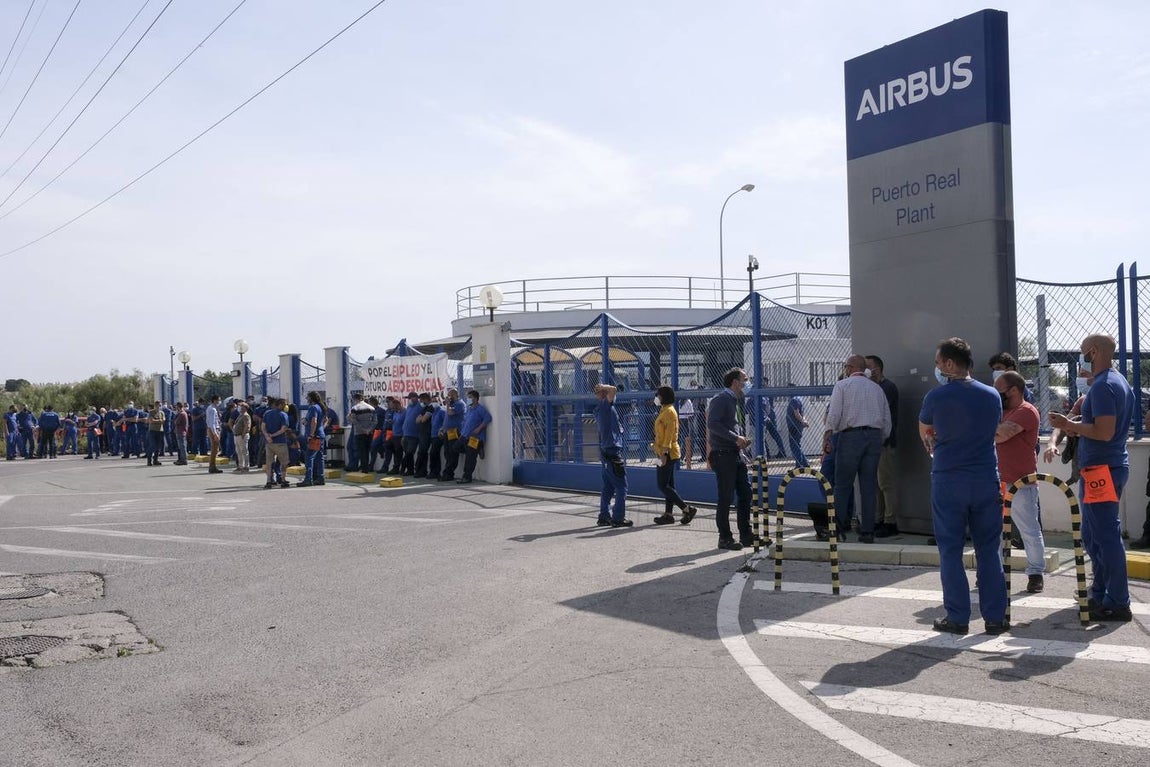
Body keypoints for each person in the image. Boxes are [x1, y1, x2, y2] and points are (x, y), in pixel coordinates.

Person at [919, 337, 1008, 636]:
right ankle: (995, 618)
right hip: (985, 479)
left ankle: (957, 618)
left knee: (950, 550)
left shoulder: (936, 397)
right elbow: (991, 429)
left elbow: (926, 433)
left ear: (948, 363)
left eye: (937, 363)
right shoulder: (992, 396)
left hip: (948, 479)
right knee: (988, 550)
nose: (937, 368)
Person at [1049, 333, 1135, 622]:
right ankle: (1101, 592)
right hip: (1104, 468)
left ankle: (1117, 601)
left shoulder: (1103, 387)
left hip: (1102, 470)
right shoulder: (1115, 381)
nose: (1081, 354)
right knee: (1094, 534)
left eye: (1083, 350)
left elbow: (1103, 431)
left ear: (1094, 351)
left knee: (1105, 536)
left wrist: (1067, 424)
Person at [824, 354, 891, 543]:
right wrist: (880, 437)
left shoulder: (842, 386)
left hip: (850, 436)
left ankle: (837, 528)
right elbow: (886, 419)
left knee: (843, 484)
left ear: (850, 368)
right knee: (869, 486)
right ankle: (868, 531)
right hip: (874, 437)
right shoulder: (877, 389)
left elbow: (835, 413)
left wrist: (828, 434)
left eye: (846, 366)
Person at [994, 371, 1046, 593]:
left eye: (999, 390)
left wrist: (981, 428)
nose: (995, 394)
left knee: (1029, 531)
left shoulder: (1026, 411)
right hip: (996, 481)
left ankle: (1035, 573)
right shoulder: (1001, 412)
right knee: (992, 531)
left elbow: (1002, 435)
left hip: (1021, 482)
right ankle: (992, 572)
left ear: (1013, 390)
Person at [707, 368, 757, 550]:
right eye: (745, 379)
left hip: (734, 454)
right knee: (726, 497)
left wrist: (741, 443)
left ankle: (746, 534)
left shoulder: (735, 400)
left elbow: (731, 426)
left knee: (745, 493)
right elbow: (713, 424)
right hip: (723, 454)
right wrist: (735, 438)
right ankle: (725, 537)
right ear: (735, 382)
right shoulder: (721, 399)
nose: (747, 383)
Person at [651, 386, 698, 526]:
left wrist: (664, 453)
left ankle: (686, 508)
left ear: (663, 397)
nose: (656, 398)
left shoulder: (669, 412)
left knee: (662, 485)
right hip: (664, 451)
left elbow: (669, 435)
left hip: (668, 452)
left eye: (658, 395)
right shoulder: (665, 410)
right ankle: (668, 514)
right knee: (669, 485)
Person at [865, 355, 900, 537]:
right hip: (873, 442)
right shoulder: (872, 388)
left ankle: (890, 521)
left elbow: (880, 414)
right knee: (877, 484)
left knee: (886, 483)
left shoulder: (887, 388)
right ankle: (878, 519)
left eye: (868, 367)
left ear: (877, 369)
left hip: (884, 442)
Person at [593, 383, 632, 527]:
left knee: (608, 486)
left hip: (606, 453)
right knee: (622, 486)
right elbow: (613, 389)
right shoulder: (605, 406)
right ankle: (618, 517)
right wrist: (603, 387)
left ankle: (604, 515)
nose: (614, 395)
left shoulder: (602, 408)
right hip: (612, 452)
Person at [455, 389, 491, 484]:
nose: (468, 399)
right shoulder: (469, 409)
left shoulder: (480, 409)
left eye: (470, 397)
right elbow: (465, 423)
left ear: (475, 399)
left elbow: (488, 418)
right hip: (465, 436)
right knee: (455, 447)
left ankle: (467, 477)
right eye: (468, 397)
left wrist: (479, 429)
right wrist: (462, 434)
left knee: (470, 457)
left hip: (475, 437)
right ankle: (479, 449)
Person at [261, 398, 293, 489]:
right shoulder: (283, 415)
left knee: (269, 463)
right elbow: (283, 429)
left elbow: (263, 427)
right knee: (284, 462)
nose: (286, 406)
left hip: (269, 443)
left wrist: (267, 436)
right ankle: (283, 480)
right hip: (280, 442)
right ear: (281, 404)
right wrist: (273, 435)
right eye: (285, 404)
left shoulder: (267, 414)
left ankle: (269, 481)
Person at [436, 389, 465, 481]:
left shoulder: (460, 404)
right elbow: (447, 418)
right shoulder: (451, 405)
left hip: (454, 432)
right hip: (447, 432)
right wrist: (442, 428)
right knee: (447, 453)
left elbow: (450, 413)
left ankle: (448, 474)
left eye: (450, 395)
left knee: (452, 454)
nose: (448, 397)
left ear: (455, 395)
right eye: (448, 395)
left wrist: (448, 404)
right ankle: (447, 473)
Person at [300, 391, 327, 486]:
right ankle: (320, 477)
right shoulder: (321, 407)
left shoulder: (313, 408)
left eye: (308, 397)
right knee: (320, 457)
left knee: (309, 457)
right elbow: (325, 420)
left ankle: (308, 479)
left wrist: (311, 434)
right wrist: (320, 429)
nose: (307, 399)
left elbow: (314, 421)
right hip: (320, 434)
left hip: (314, 436)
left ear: (311, 398)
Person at [347, 393, 377, 473]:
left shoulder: (355, 408)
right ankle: (366, 467)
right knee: (367, 451)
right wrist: (369, 429)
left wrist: (363, 429)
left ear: (355, 399)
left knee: (361, 451)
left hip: (359, 433)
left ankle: (364, 469)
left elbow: (354, 421)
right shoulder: (371, 408)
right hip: (369, 433)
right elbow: (375, 421)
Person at [785, 389, 809, 468]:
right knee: (797, 445)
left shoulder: (794, 400)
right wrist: (803, 421)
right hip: (797, 426)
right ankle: (805, 463)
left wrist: (802, 421)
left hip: (794, 426)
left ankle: (799, 465)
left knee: (794, 446)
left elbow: (797, 413)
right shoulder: (799, 399)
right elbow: (802, 413)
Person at [232, 402, 252, 474]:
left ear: (245, 408)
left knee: (244, 451)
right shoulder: (240, 415)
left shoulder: (246, 416)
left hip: (242, 435)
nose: (240, 408)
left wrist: (243, 434)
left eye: (241, 406)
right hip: (237, 435)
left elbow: (247, 426)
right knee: (239, 451)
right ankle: (240, 466)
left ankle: (246, 466)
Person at [205, 395, 222, 474]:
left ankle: (212, 466)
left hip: (212, 429)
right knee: (214, 449)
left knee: (215, 449)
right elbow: (212, 423)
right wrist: (215, 434)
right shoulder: (212, 409)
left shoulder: (211, 408)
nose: (219, 402)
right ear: (215, 400)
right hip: (213, 430)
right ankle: (212, 466)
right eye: (219, 400)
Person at [146, 401, 166, 466]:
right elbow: (151, 421)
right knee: (152, 445)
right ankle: (149, 460)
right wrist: (159, 421)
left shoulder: (162, 412)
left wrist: (157, 420)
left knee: (158, 447)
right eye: (157, 405)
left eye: (159, 405)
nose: (158, 406)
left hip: (160, 431)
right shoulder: (151, 412)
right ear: (155, 405)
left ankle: (155, 460)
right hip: (152, 431)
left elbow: (163, 421)